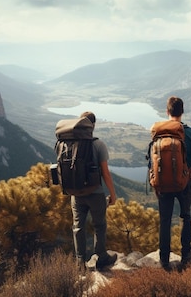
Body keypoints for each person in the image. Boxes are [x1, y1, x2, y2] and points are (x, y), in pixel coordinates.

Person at [156, 96, 191, 271]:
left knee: (165, 220)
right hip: (185, 183)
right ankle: (185, 258)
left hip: (163, 184)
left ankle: (164, 261)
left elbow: (152, 160)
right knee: (185, 216)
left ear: (167, 112)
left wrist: (155, 182)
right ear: (182, 112)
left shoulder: (158, 132)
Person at [71, 111, 118, 271]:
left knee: (78, 226)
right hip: (95, 193)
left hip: (76, 193)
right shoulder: (98, 145)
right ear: (93, 126)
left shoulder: (70, 143)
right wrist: (113, 193)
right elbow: (105, 173)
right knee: (99, 225)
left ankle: (80, 263)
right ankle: (102, 258)